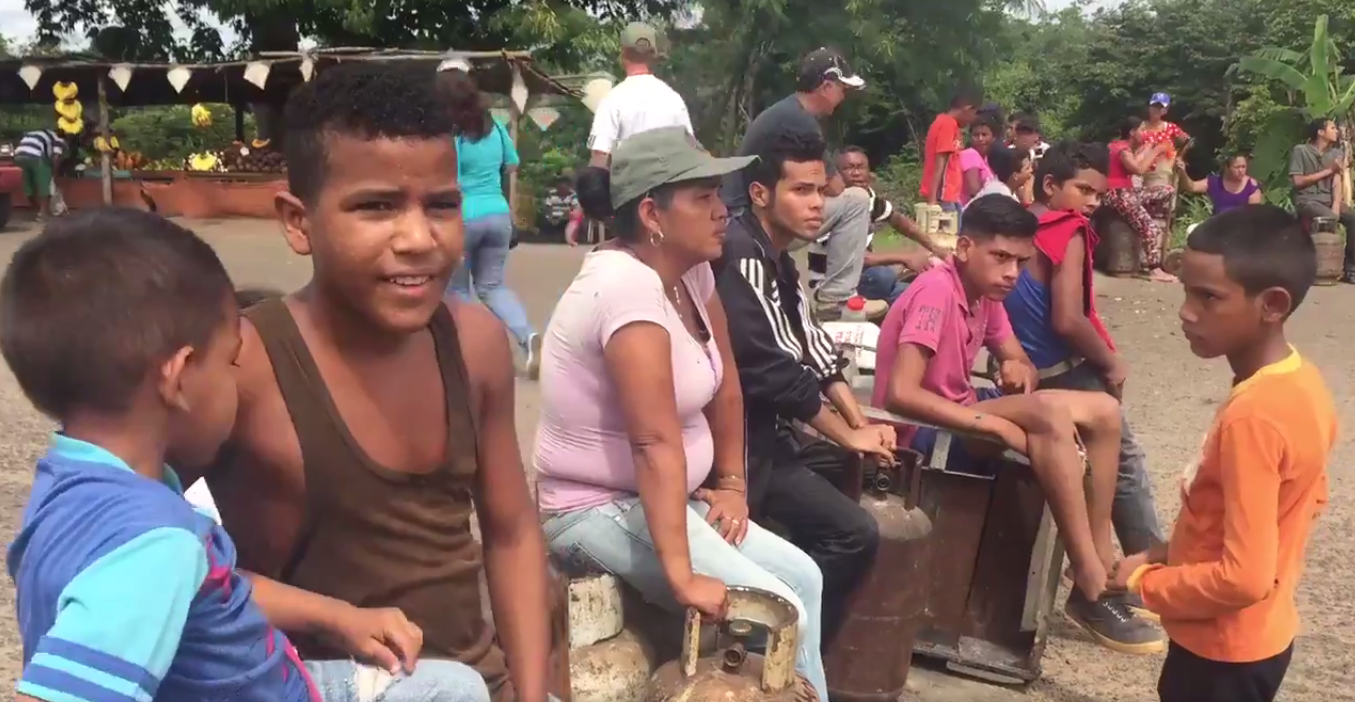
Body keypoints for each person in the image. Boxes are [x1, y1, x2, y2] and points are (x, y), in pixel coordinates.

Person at [183, 63, 553, 702]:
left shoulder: (475, 344)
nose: (418, 239)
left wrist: (531, 690)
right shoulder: (242, 363)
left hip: (477, 684)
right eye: (376, 207)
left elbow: (513, 533)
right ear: (298, 221)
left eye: (441, 206)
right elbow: (151, 553)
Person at [536, 127, 829, 701]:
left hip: (663, 497)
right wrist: (681, 575)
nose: (724, 211)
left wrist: (732, 483)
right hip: (593, 508)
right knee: (778, 608)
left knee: (806, 580)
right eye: (704, 198)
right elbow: (651, 443)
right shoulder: (624, 289)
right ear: (653, 213)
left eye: (720, 195)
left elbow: (727, 387)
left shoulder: (690, 272)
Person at [2, 209, 316, 702]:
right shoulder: (154, 543)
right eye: (231, 360)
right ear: (180, 376)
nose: (237, 383)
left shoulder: (67, 484)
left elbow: (203, 586)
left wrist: (341, 618)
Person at [872, 193, 1160, 656]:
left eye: (1021, 261)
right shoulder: (936, 291)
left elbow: (1015, 356)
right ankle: (1089, 584)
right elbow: (900, 394)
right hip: (920, 432)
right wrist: (997, 425)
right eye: (1001, 257)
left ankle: (1101, 560)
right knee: (1045, 417)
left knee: (1104, 411)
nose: (1011, 272)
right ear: (965, 248)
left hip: (960, 411)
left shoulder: (984, 295)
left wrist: (1017, 368)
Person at [1111, 205, 1336, 702]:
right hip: (1262, 636)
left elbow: (1244, 578)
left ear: (1272, 304)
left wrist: (1147, 583)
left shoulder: (1253, 416)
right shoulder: (1302, 384)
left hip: (1222, 650)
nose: (1186, 311)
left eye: (1208, 297)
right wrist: (1164, 554)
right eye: (1186, 290)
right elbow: (1280, 517)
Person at [713, 127, 896, 648]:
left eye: (821, 191)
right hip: (744, 448)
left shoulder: (779, 259)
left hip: (775, 436)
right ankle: (782, 649)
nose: (818, 204)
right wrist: (845, 435)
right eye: (801, 191)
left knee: (855, 467)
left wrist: (860, 424)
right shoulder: (741, 254)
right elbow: (770, 366)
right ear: (760, 193)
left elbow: (812, 344)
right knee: (854, 534)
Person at [1002, 141, 1167, 651]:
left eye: (1099, 192)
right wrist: (1111, 360)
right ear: (1050, 186)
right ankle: (1141, 580)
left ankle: (1121, 580)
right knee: (1121, 466)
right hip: (1067, 373)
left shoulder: (1021, 231)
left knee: (1106, 470)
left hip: (1036, 373)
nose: (1092, 201)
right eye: (1083, 189)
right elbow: (1068, 318)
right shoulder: (1066, 230)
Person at [722, 46, 872, 321]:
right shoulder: (800, 122)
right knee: (856, 201)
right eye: (842, 89)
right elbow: (836, 187)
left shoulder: (786, 112)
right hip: (746, 219)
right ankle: (837, 299)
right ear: (827, 86)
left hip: (742, 213)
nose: (843, 98)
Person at [440, 68, 543, 378]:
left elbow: (449, 178)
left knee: (457, 290)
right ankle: (528, 336)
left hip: (464, 218)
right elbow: (512, 163)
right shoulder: (495, 127)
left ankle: (468, 355)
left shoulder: (452, 135)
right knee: (492, 285)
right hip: (498, 215)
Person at [806, 146, 943, 307]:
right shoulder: (832, 206)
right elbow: (859, 258)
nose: (856, 173)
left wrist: (935, 248)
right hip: (831, 283)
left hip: (860, 276)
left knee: (920, 293)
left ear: (869, 171)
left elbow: (900, 222)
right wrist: (907, 258)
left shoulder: (869, 198)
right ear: (835, 174)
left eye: (860, 167)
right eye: (848, 168)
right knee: (882, 277)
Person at [587, 22, 694, 166]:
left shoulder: (612, 101)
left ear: (623, 53)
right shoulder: (673, 99)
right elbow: (690, 150)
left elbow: (599, 158)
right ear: (653, 55)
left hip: (628, 187)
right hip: (668, 185)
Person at [1104, 116, 1177, 282]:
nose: (1144, 133)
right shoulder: (1122, 150)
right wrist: (1156, 151)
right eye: (1141, 130)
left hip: (1126, 193)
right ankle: (1154, 270)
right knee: (1150, 229)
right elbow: (1139, 169)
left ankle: (1143, 211)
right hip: (1119, 194)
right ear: (1132, 132)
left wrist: (1147, 147)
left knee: (1167, 190)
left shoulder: (1119, 146)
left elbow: (1135, 160)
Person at [1289, 117, 1354, 282]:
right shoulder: (1301, 150)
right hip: (1307, 200)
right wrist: (1329, 170)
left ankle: (1351, 269)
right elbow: (1298, 182)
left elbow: (1336, 182)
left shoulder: (1336, 153)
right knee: (1328, 217)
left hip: (1328, 200)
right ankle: (1316, 268)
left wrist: (1336, 205)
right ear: (1320, 132)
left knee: (1352, 219)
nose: (1336, 131)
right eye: (1332, 128)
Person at [921, 88, 981, 217]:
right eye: (974, 113)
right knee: (949, 235)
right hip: (943, 197)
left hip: (950, 196)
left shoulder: (946, 123)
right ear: (967, 108)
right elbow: (940, 161)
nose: (972, 120)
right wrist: (933, 200)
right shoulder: (947, 124)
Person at [1175, 152, 1263, 214]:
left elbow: (1254, 215)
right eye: (1237, 167)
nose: (1241, 170)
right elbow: (1191, 187)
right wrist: (1183, 172)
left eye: (1243, 167)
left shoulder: (1251, 185)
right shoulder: (1214, 182)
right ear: (1227, 167)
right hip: (1218, 228)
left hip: (1241, 229)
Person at [13, 128, 65, 221]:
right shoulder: (57, 137)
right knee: (44, 183)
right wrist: (53, 173)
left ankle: (37, 211)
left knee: (27, 183)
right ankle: (43, 213)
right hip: (35, 156)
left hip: (18, 155)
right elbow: (56, 157)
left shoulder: (33, 132)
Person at [965, 145, 1031, 206]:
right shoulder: (1001, 196)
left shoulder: (1001, 188)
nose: (1031, 170)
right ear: (1015, 175)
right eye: (1027, 168)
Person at [960, 118, 998, 204]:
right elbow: (974, 191)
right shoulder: (970, 154)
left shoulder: (986, 159)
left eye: (984, 135)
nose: (980, 139)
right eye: (976, 135)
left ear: (993, 138)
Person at [540, 175, 577, 241]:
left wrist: (561, 215)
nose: (561, 189)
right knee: (546, 221)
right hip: (553, 217)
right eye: (559, 187)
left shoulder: (573, 195)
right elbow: (547, 207)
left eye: (563, 187)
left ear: (568, 186)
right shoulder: (552, 194)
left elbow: (574, 208)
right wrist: (551, 217)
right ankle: (547, 239)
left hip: (567, 218)